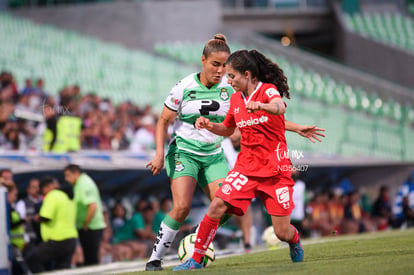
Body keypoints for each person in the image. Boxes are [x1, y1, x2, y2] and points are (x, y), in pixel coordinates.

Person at [145, 35, 324, 271]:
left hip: (271, 170)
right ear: (203, 61)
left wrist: (290, 122)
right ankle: (189, 258)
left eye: (229, 73)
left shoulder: (264, 91)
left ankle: (293, 239)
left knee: (280, 231)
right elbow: (228, 129)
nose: (225, 77)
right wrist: (210, 126)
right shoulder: (225, 96)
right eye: (218, 68)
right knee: (208, 206)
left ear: (245, 75)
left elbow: (278, 109)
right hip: (232, 164)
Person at [26, 176, 78, 273]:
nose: (42, 195)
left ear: (47, 187)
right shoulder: (68, 196)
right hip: (71, 239)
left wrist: (37, 218)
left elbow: (46, 217)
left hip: (58, 239)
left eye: (42, 192)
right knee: (62, 270)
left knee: (32, 259)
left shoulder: (52, 195)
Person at [64, 164, 106, 266]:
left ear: (76, 173)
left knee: (91, 260)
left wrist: (85, 224)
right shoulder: (79, 183)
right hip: (88, 226)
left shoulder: (84, 184)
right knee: (89, 258)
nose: (66, 179)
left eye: (68, 175)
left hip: (91, 227)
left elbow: (92, 206)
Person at [15, 178, 42, 250]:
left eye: (38, 187)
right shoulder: (22, 203)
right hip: (30, 242)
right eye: (34, 187)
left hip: (44, 241)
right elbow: (21, 224)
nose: (37, 189)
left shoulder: (45, 201)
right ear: (28, 189)